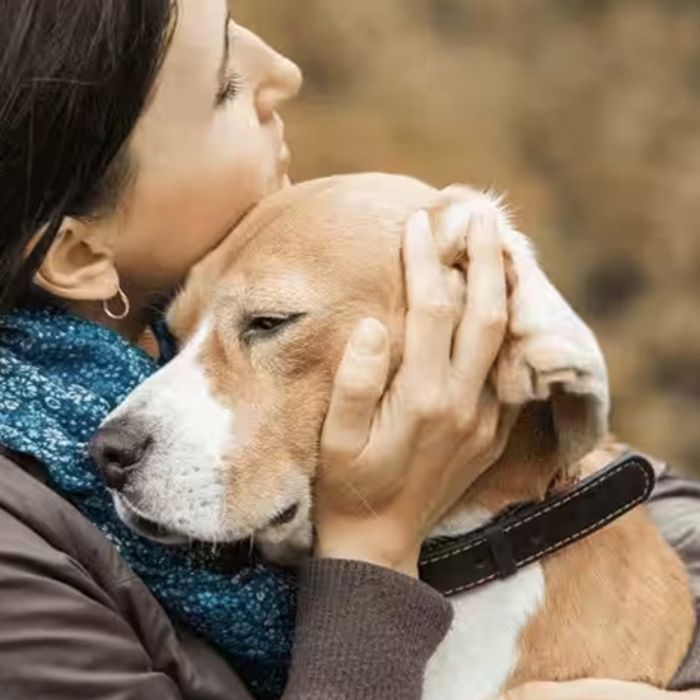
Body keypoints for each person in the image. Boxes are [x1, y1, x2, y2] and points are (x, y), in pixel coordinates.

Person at [0, 2, 697, 698]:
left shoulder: (186, 323)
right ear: (81, 250)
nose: (285, 73)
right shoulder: (22, 567)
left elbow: (641, 506)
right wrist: (372, 546)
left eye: (264, 323)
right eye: (223, 87)